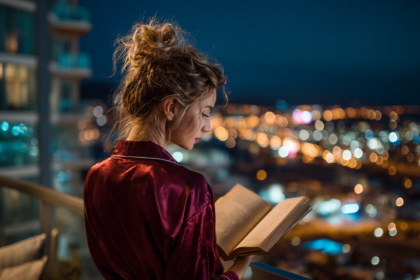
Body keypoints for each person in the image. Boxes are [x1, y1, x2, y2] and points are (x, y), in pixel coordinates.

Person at [83, 18, 253, 280]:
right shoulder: (187, 189)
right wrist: (238, 271)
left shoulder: (96, 176)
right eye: (205, 113)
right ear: (172, 108)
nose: (207, 127)